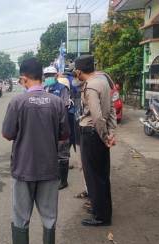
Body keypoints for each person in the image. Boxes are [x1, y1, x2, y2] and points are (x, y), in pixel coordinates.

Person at [1, 58, 69, 244]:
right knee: (49, 215)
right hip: (49, 168)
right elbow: (64, 135)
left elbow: (7, 133)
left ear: (23, 78)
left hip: (23, 168)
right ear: (42, 75)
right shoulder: (56, 102)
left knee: (21, 215)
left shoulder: (17, 102)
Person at [73, 55, 117, 227]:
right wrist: (111, 132)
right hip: (99, 134)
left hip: (92, 134)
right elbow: (111, 109)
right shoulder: (103, 81)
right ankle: (102, 209)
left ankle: (101, 216)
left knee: (93, 176)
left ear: (78, 71)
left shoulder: (90, 86)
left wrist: (105, 136)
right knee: (102, 175)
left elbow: (97, 117)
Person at [43, 65, 73, 190]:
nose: (48, 78)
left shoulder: (62, 89)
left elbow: (65, 107)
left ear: (56, 76)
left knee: (62, 153)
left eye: (51, 75)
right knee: (51, 152)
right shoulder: (45, 88)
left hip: (61, 124)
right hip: (48, 126)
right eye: (46, 76)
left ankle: (63, 181)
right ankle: (54, 176)